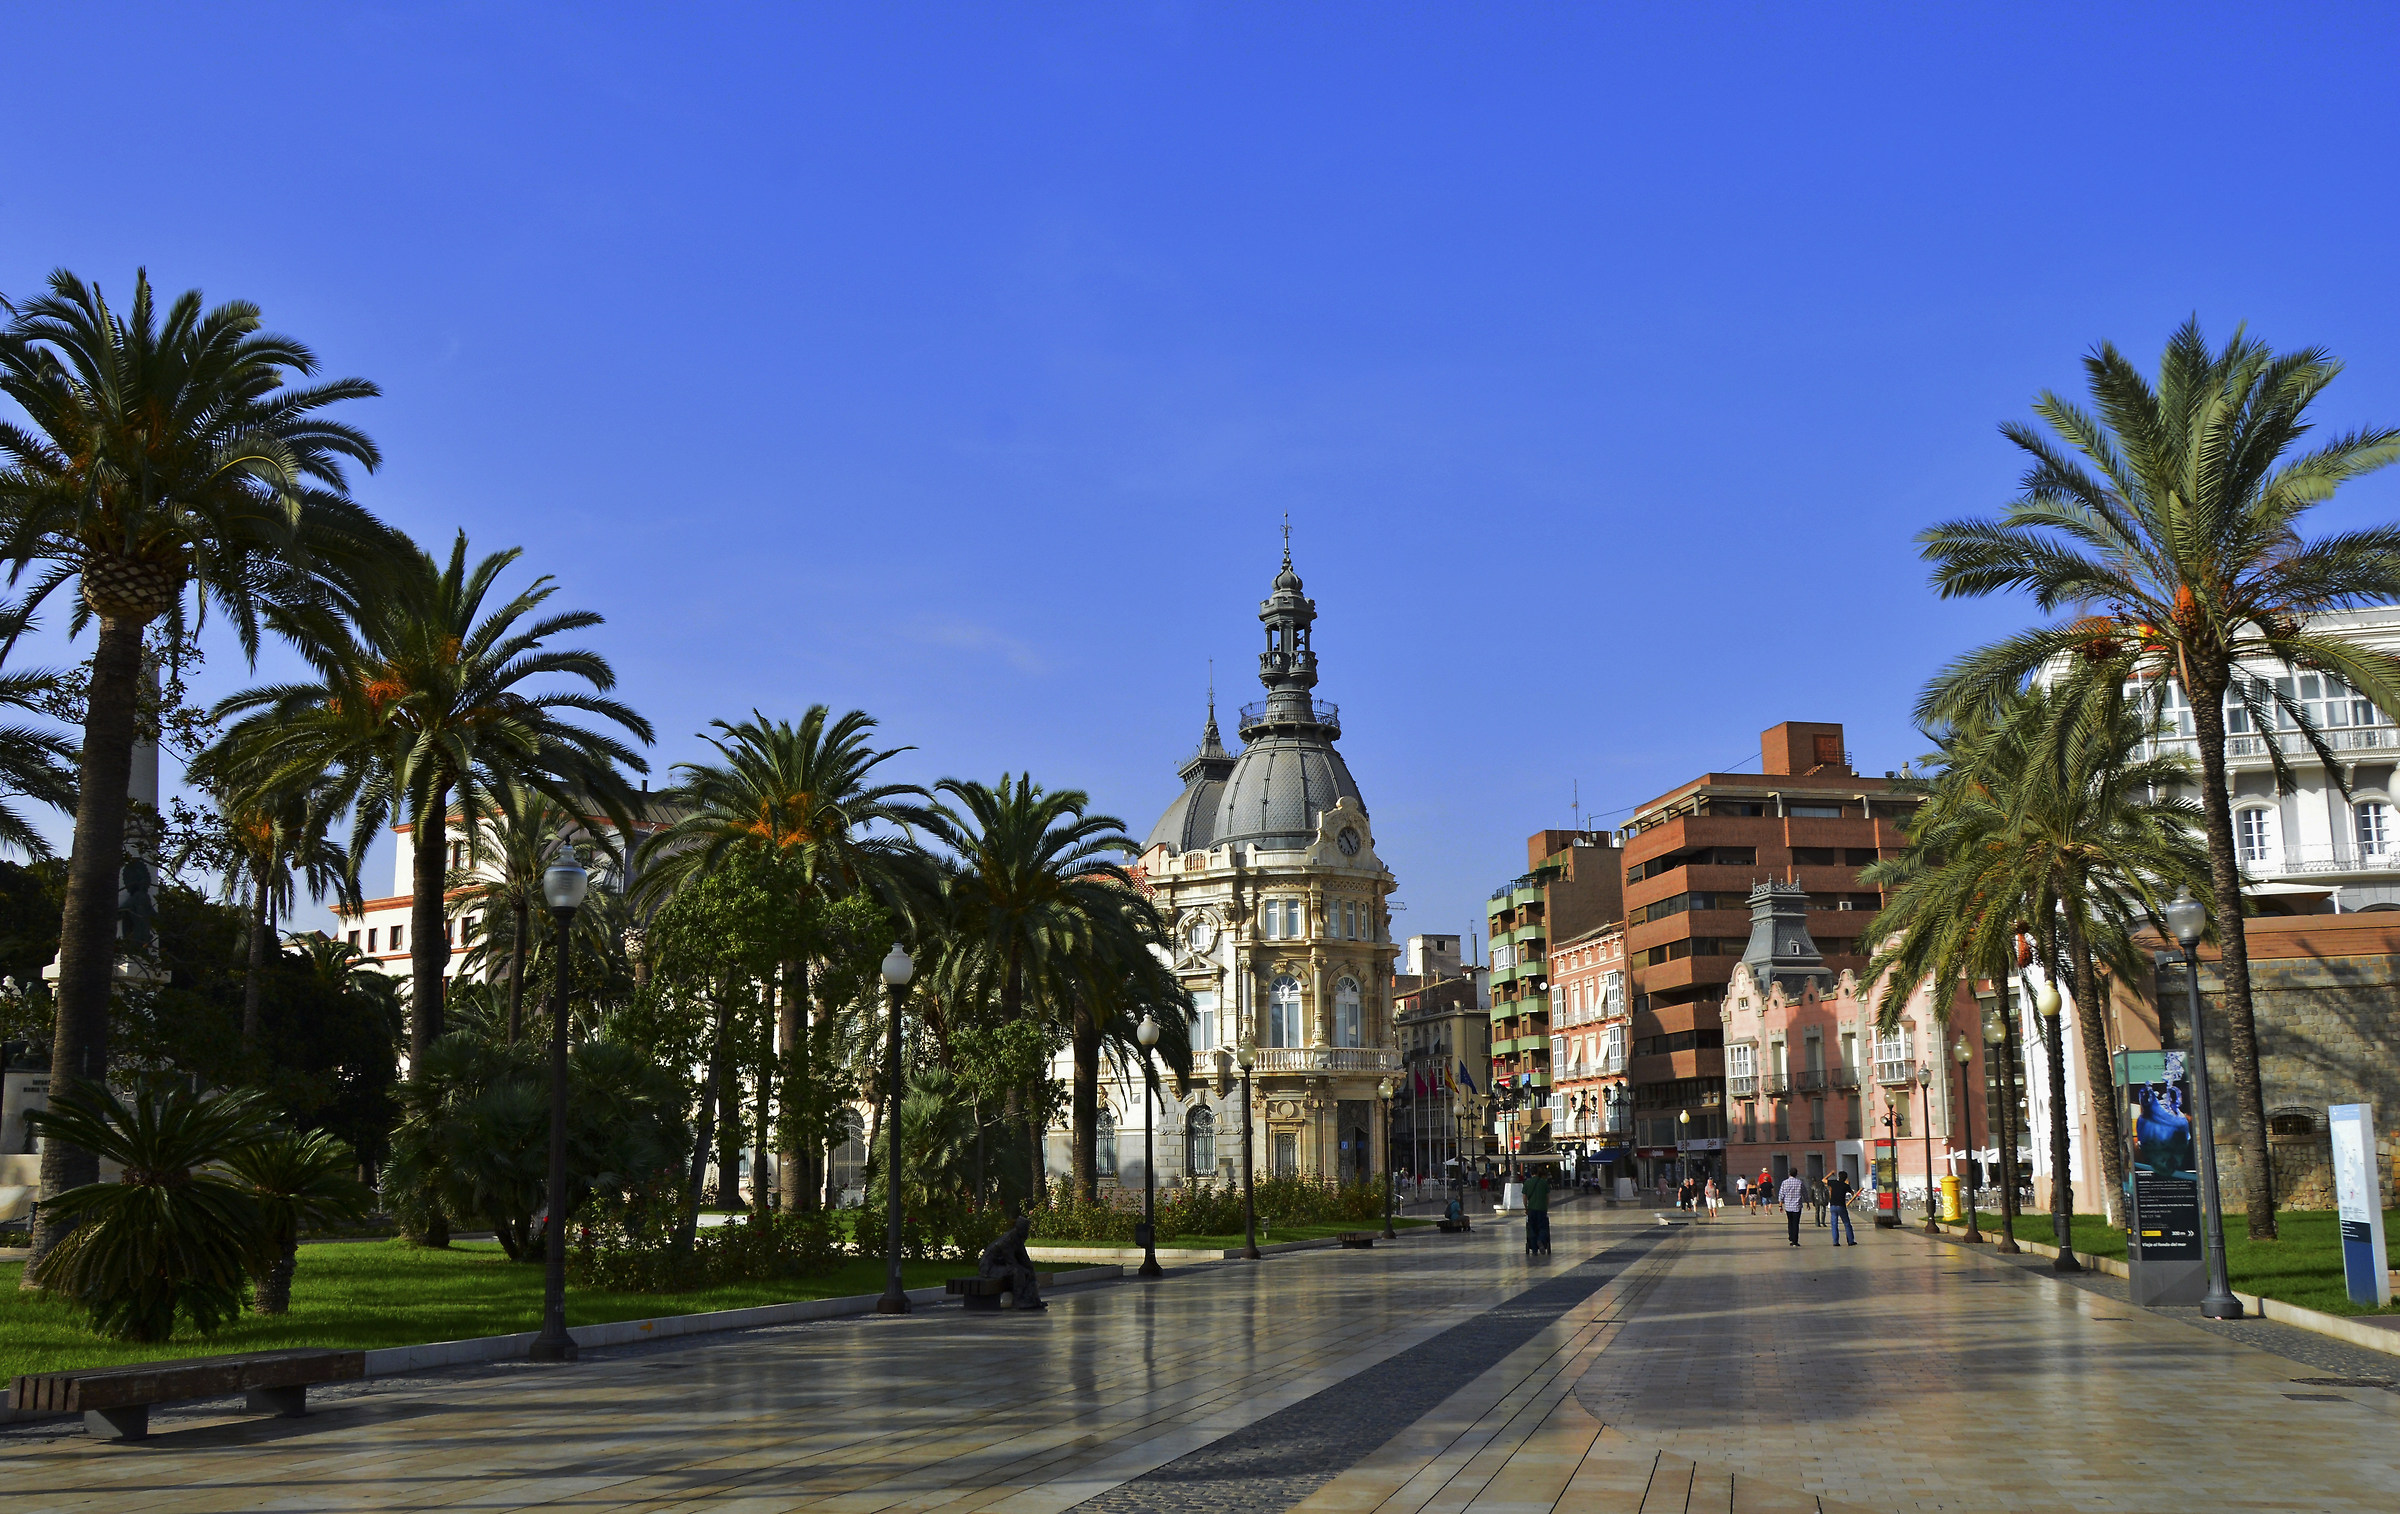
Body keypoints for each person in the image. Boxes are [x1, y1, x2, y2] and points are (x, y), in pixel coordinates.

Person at [977, 1215, 1046, 1310]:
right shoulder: (1008, 1240)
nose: (1027, 1232)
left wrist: (1030, 1270)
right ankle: (1017, 1301)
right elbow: (1011, 1262)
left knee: (1029, 1271)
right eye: (1026, 1229)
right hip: (990, 1268)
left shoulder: (1018, 1239)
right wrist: (1023, 1269)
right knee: (1018, 1272)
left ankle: (1032, 1300)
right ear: (1019, 1228)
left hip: (1001, 1265)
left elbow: (1024, 1258)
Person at [1524, 1168, 1551, 1255]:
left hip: (1531, 1209)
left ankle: (1534, 1249)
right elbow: (1547, 1197)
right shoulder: (1544, 1182)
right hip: (1542, 1209)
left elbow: (1524, 1197)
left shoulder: (1527, 1183)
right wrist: (1546, 1206)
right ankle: (1541, 1240)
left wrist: (1526, 1208)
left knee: (1531, 1228)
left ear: (1531, 1173)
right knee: (1543, 1227)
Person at [1826, 1169, 1857, 1246]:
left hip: (1833, 1206)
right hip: (1841, 1206)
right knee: (1846, 1223)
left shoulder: (1833, 1183)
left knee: (1834, 1224)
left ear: (1838, 1177)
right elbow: (1853, 1193)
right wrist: (1848, 1183)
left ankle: (1835, 1242)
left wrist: (1830, 1174)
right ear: (1846, 1178)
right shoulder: (1845, 1186)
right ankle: (1850, 1241)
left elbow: (1823, 1180)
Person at [1779, 1170, 1805, 1246]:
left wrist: (1780, 1205)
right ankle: (1795, 1240)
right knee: (1796, 1223)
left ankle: (1791, 1236)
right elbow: (1804, 1192)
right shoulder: (1800, 1182)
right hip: (1797, 1206)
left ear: (1789, 1173)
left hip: (1788, 1206)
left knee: (1790, 1222)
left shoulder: (1784, 1182)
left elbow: (1781, 1194)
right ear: (1796, 1174)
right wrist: (1807, 1202)